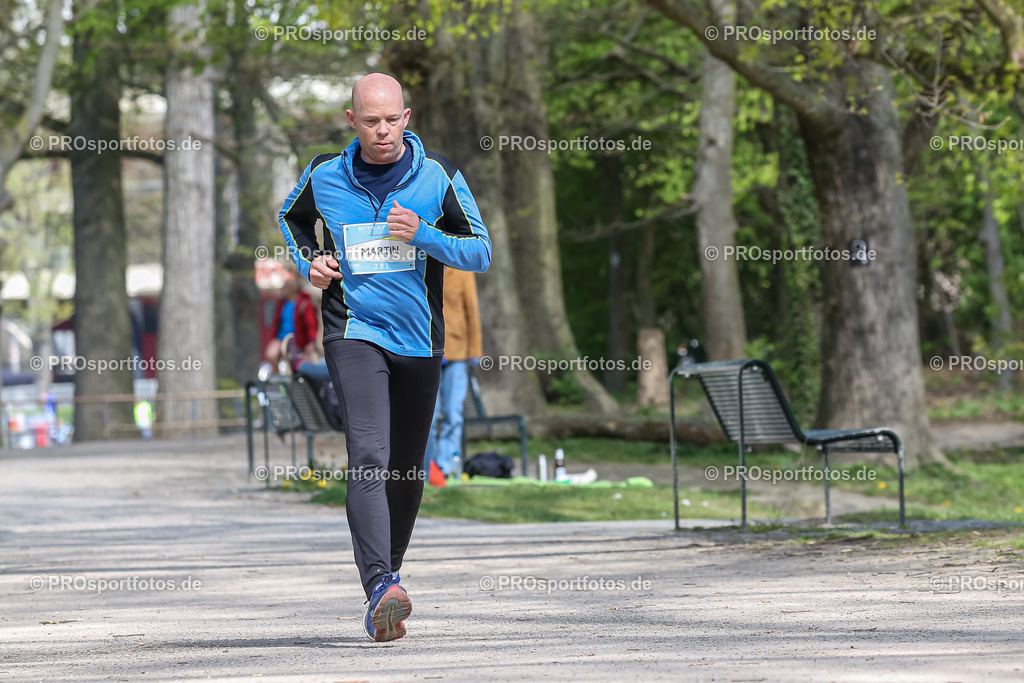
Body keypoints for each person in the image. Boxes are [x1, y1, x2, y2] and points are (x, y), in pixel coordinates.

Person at [278, 72, 491, 642]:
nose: (382, 131)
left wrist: (424, 234)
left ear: (408, 115)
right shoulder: (325, 174)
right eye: (371, 121)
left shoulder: (438, 176)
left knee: (405, 469)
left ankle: (385, 584)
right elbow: (292, 220)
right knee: (369, 452)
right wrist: (310, 263)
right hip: (353, 331)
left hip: (420, 340)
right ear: (352, 121)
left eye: (392, 119)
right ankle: (378, 583)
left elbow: (480, 251)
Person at [424, 268, 482, 485]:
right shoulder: (422, 262)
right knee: (429, 414)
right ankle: (425, 466)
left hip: (457, 353)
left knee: (453, 413)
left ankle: (444, 465)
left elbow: (472, 310)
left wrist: (475, 351)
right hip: (428, 351)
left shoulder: (463, 271)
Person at [264, 277, 318, 373]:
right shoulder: (282, 304)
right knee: (271, 354)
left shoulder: (303, 303)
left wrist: (311, 340)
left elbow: (311, 324)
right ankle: (277, 375)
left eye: (284, 288)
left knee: (296, 359)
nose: (282, 291)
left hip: (298, 338)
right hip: (281, 337)